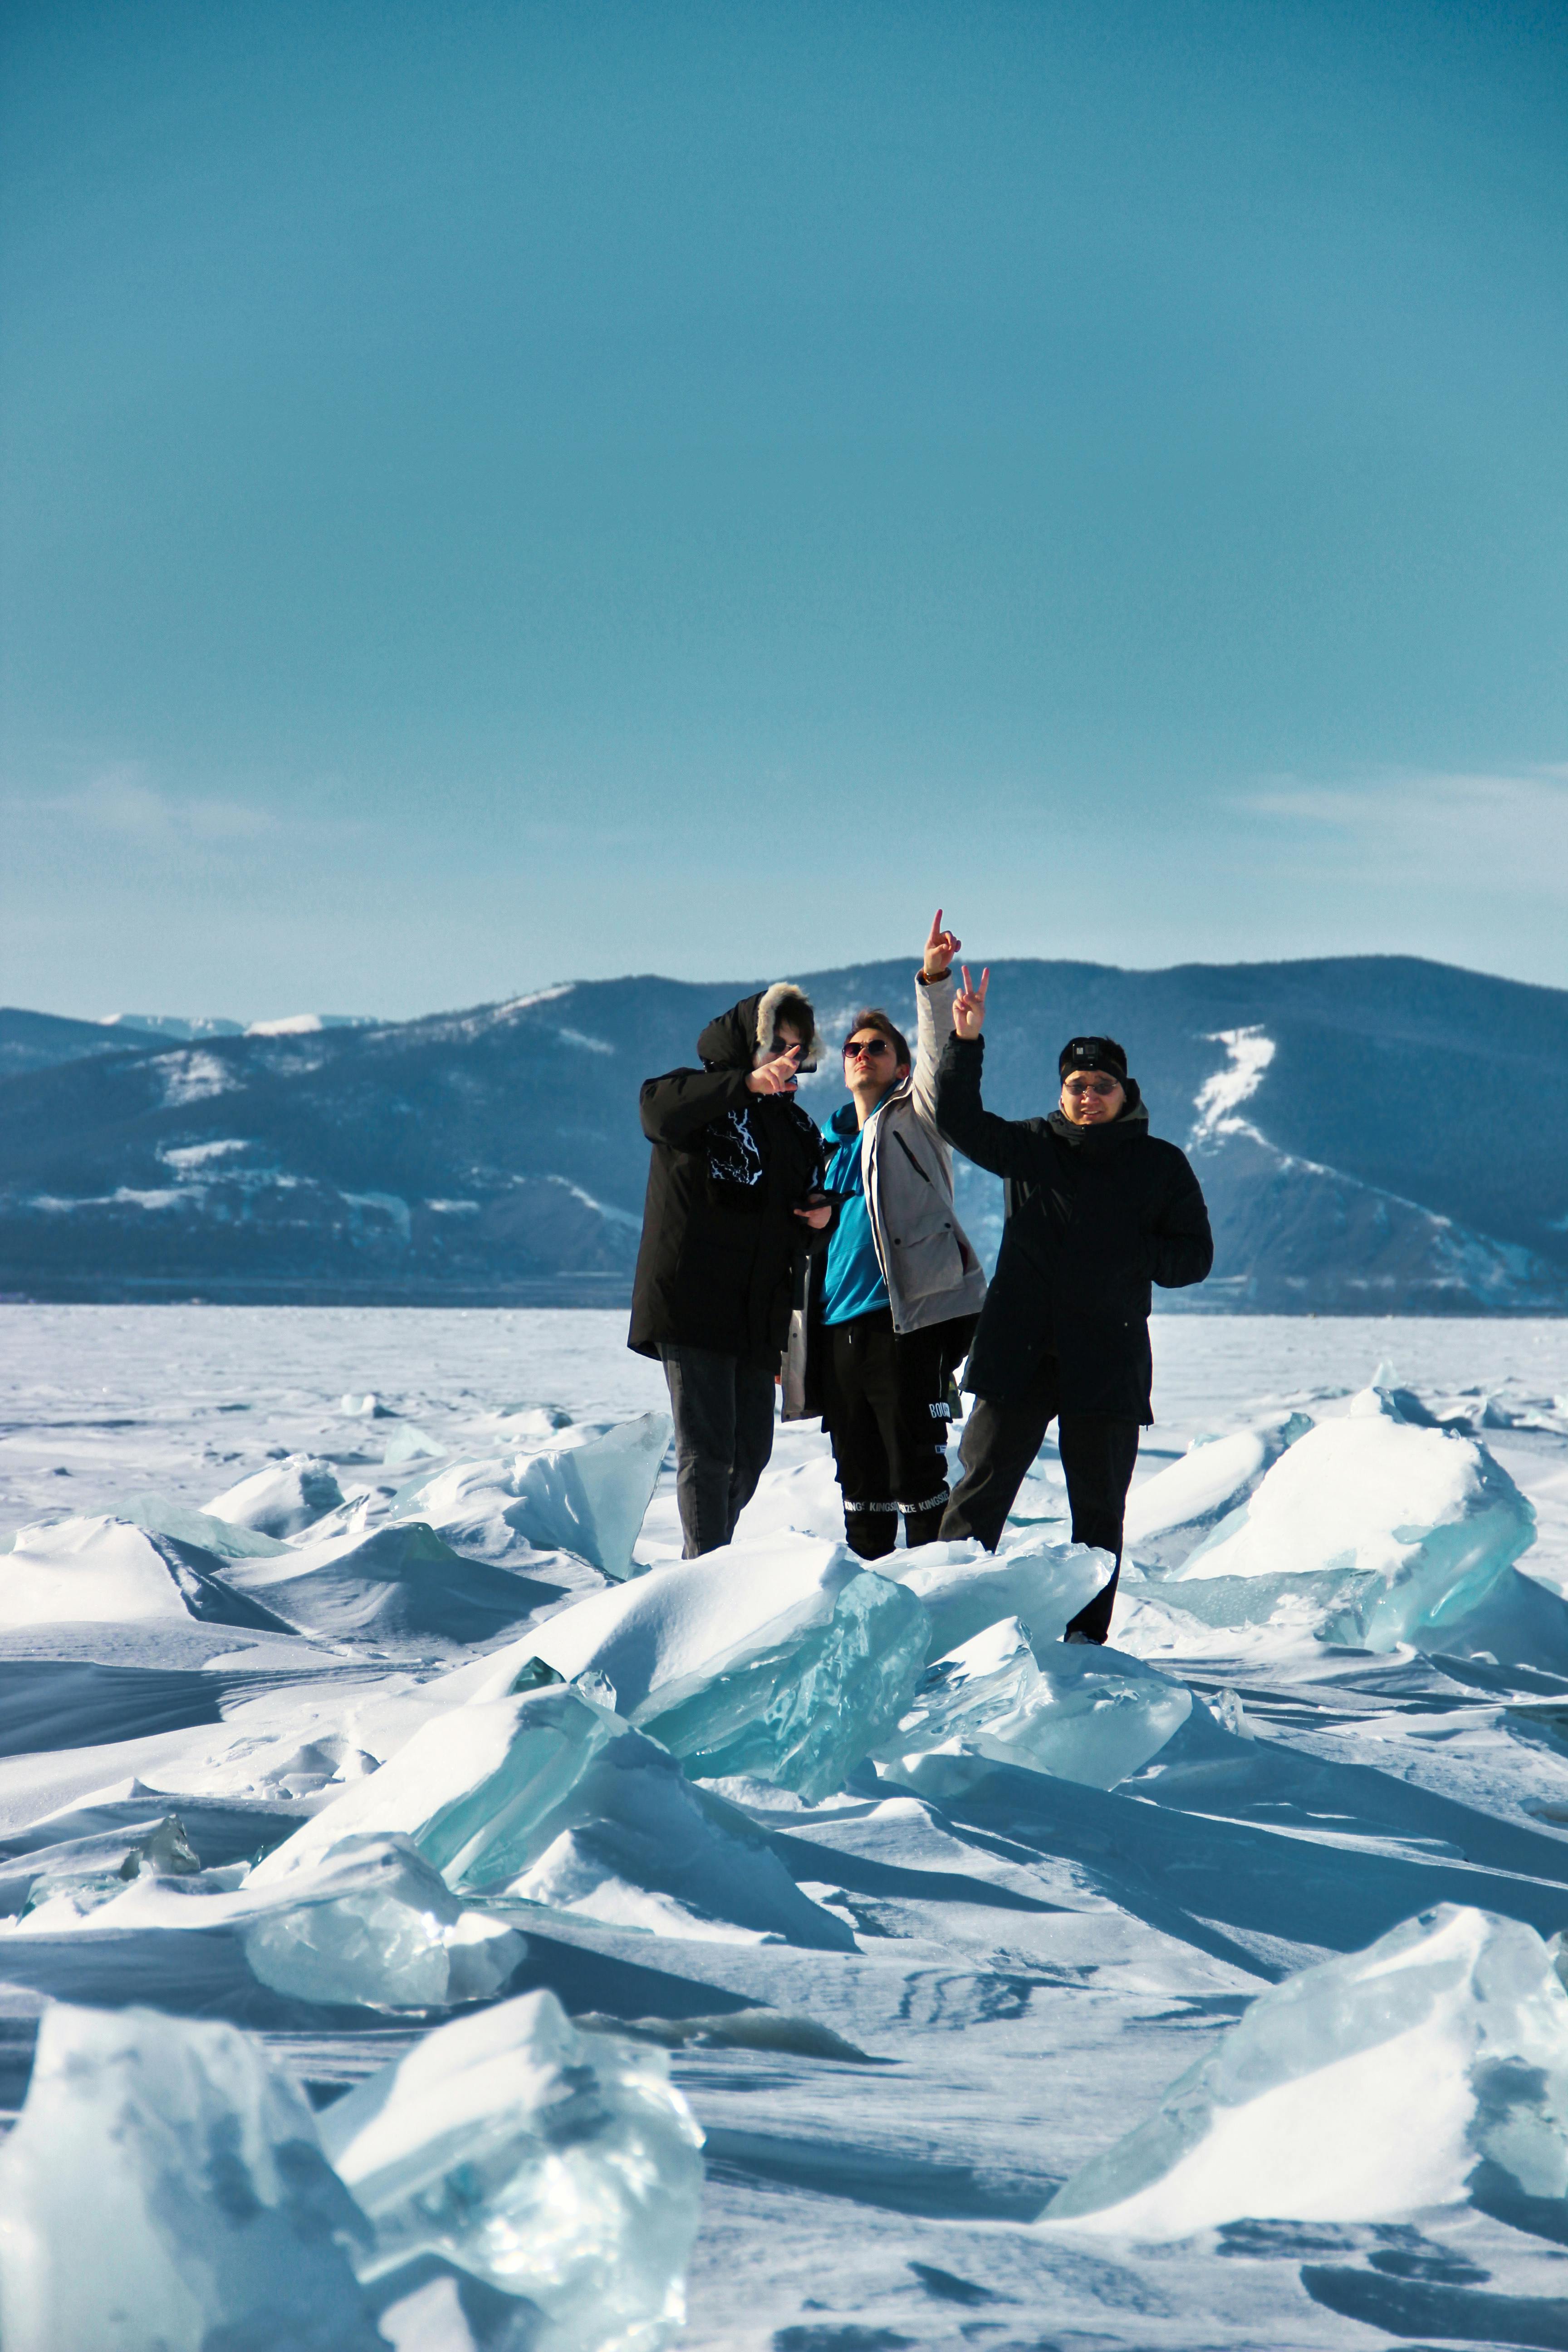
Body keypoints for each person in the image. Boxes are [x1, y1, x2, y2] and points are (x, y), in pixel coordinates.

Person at [934, 965, 1213, 1641]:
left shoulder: (1160, 1165)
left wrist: (1132, 1252)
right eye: (1075, 1086)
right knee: (979, 1496)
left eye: (1100, 1086)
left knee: (1097, 1517)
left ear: (1125, 1093)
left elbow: (1194, 1258)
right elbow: (956, 1118)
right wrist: (964, 1041)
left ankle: (1086, 1644)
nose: (1087, 1097)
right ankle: (943, 1628)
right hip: (1018, 1351)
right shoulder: (1032, 1146)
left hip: (1107, 1362)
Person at [784, 912, 987, 1558]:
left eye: (876, 1047)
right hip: (837, 1333)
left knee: (918, 1481)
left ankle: (934, 1612)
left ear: (899, 1068)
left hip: (904, 1324)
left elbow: (938, 1061)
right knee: (861, 1486)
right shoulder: (824, 1145)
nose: (861, 1055)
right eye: (853, 1048)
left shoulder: (916, 1121)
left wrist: (933, 979)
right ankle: (871, 1621)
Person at [629, 983, 832, 1557]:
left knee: (750, 1455)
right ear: (749, 1042)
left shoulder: (796, 1130)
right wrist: (742, 1086)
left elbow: (798, 1216)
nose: (786, 1058)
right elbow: (656, 1112)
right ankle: (703, 1580)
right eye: (776, 1044)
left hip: (756, 1312)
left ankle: (708, 1562)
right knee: (708, 1451)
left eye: (796, 1049)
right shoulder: (691, 1095)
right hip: (693, 1303)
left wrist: (822, 1219)